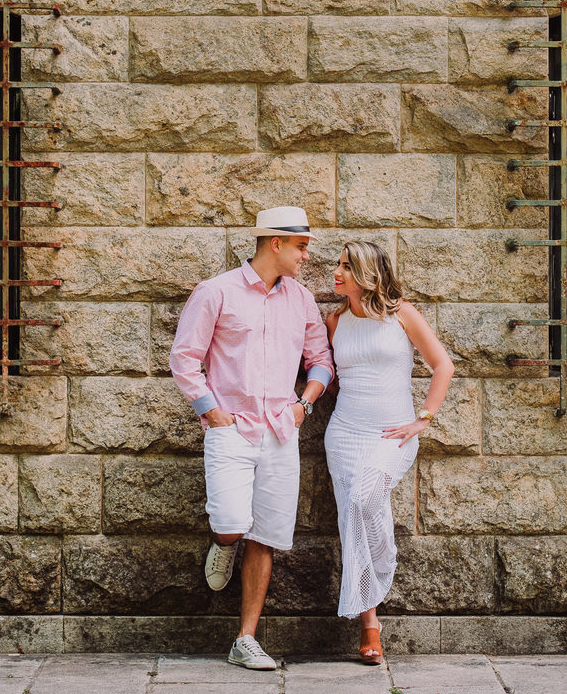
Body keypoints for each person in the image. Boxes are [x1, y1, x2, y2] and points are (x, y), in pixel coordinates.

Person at [170, 206, 334, 670]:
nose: (306, 256)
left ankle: (245, 639)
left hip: (282, 431)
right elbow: (184, 359)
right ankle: (223, 543)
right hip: (232, 429)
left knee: (266, 536)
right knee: (231, 521)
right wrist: (214, 413)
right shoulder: (216, 292)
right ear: (275, 243)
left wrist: (304, 405)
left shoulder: (301, 300)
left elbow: (320, 359)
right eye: (301, 247)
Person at [325, 240, 454, 665]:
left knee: (366, 500)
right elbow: (336, 378)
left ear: (368, 273)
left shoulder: (402, 314)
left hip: (391, 435)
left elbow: (443, 365)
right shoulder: (334, 321)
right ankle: (370, 626)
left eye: (346, 266)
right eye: (338, 265)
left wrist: (424, 418)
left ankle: (379, 574)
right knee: (352, 518)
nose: (336, 272)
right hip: (344, 433)